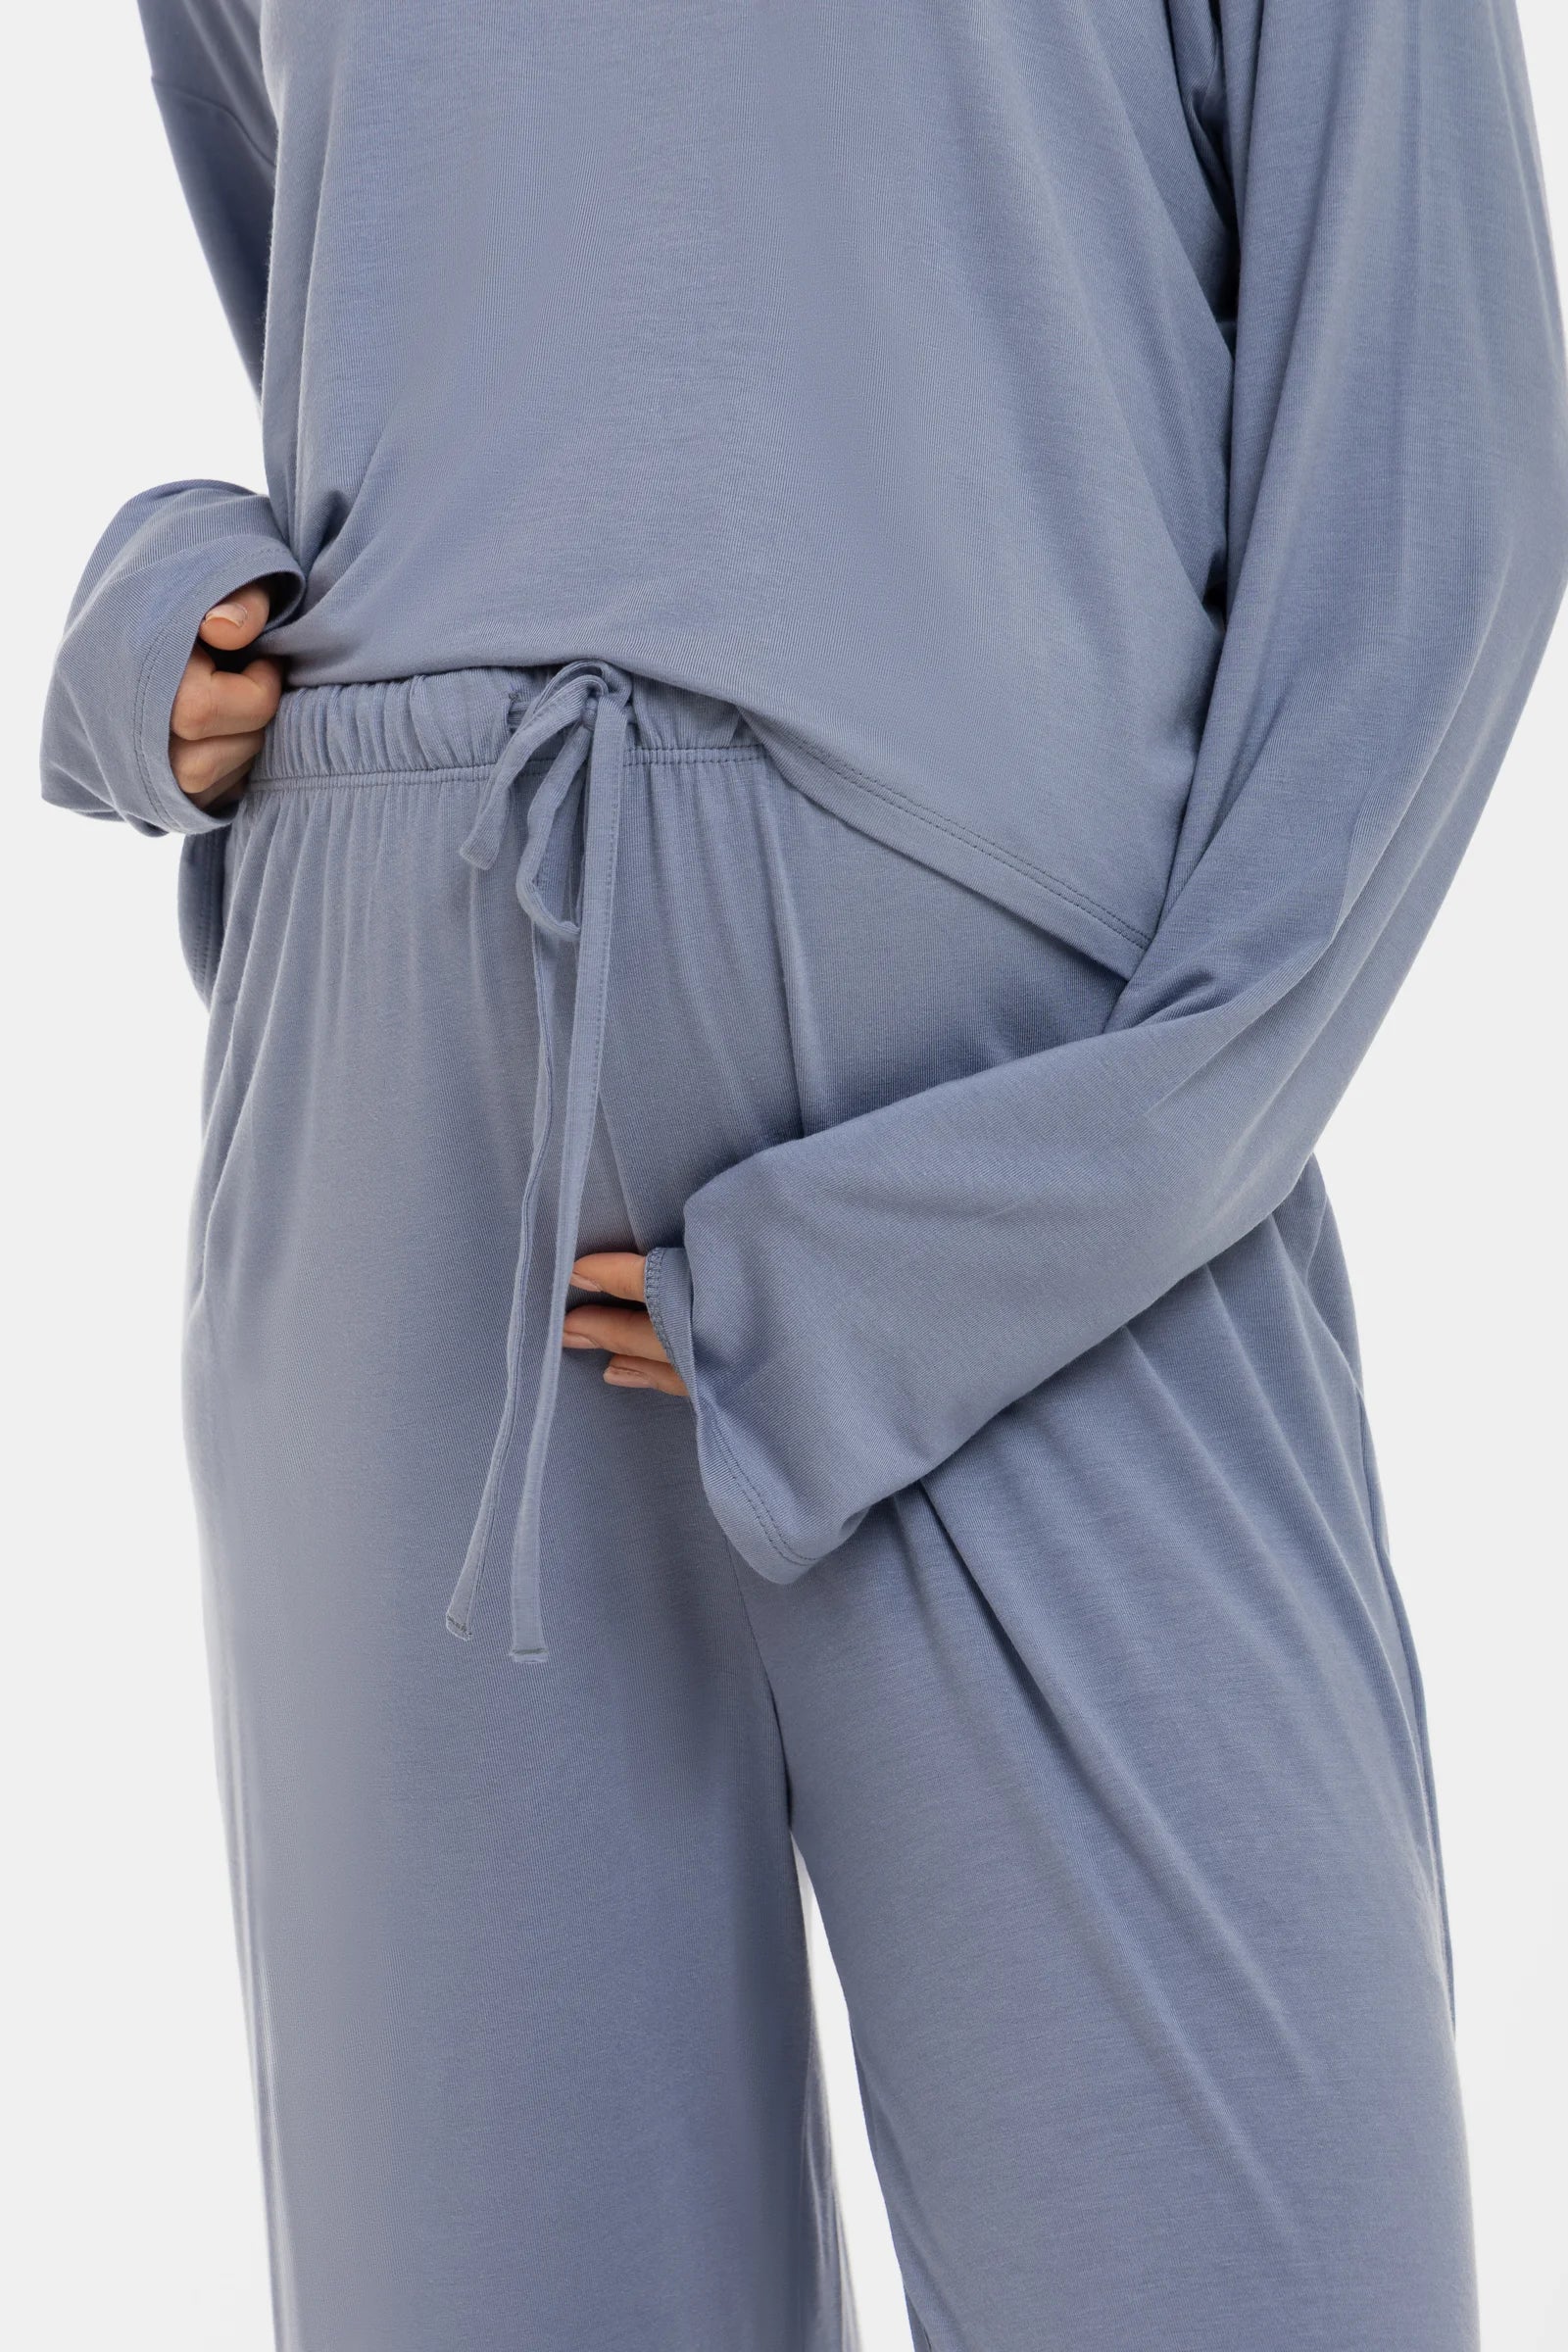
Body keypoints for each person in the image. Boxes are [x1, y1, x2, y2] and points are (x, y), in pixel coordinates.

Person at [39, 1, 1568, 2346]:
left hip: (1020, 1142)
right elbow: (353, 312)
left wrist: (1101, 1163)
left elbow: (1427, 497)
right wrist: (191, 622)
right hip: (404, 1124)